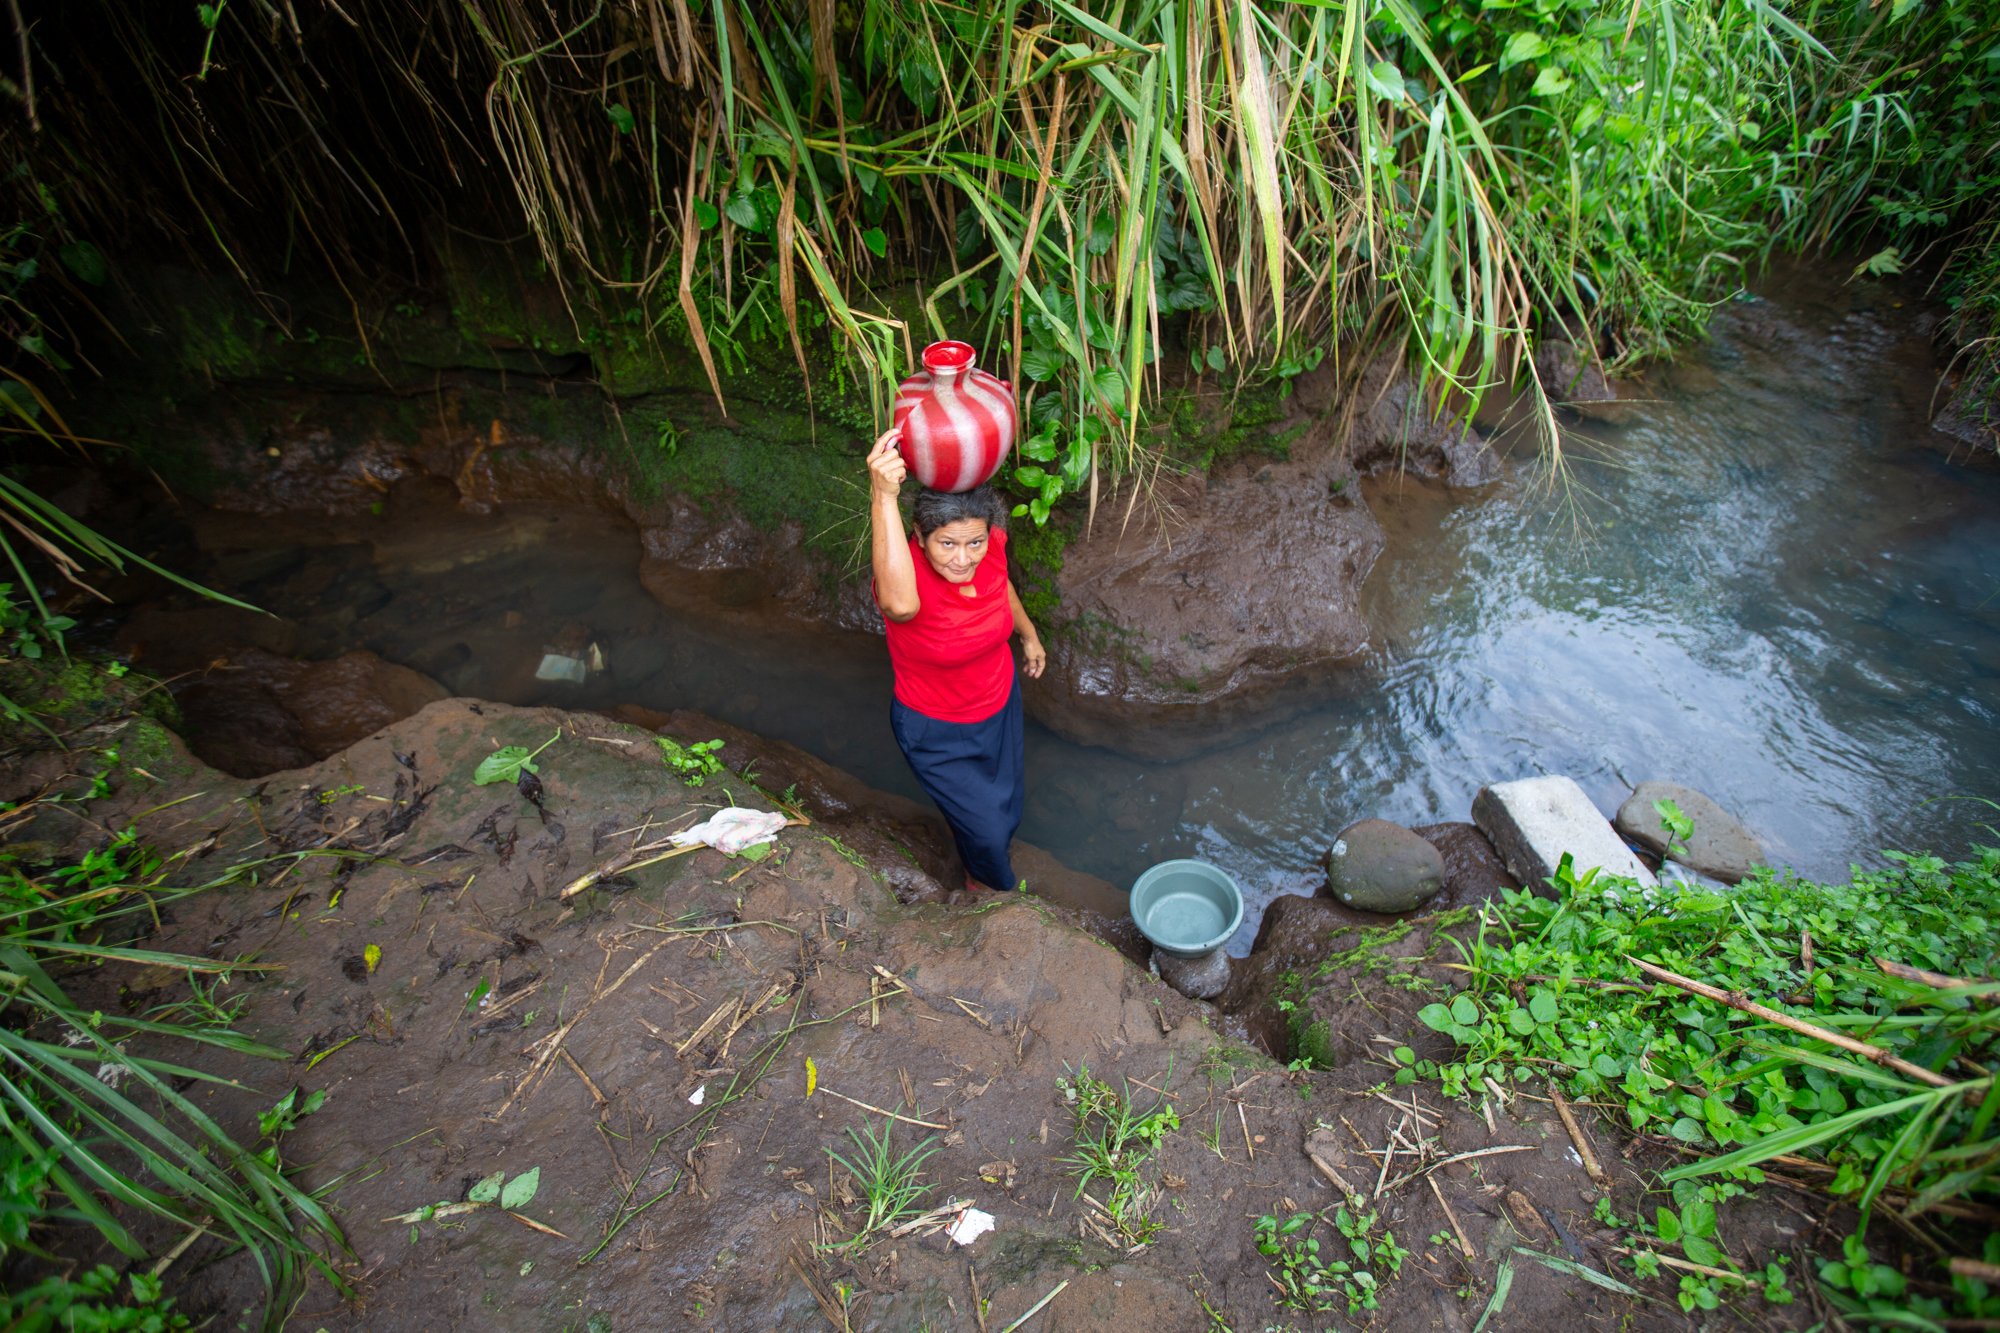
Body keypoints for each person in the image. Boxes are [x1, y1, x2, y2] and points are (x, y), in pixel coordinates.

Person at [867, 428, 1045, 892]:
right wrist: (883, 495)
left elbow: (1000, 587)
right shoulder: (905, 577)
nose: (964, 559)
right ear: (920, 537)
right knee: (986, 831)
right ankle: (989, 890)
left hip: (999, 703)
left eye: (975, 543)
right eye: (947, 544)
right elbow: (899, 607)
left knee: (1005, 808)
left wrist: (1028, 635)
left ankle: (982, 859)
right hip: (936, 728)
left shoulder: (991, 549)